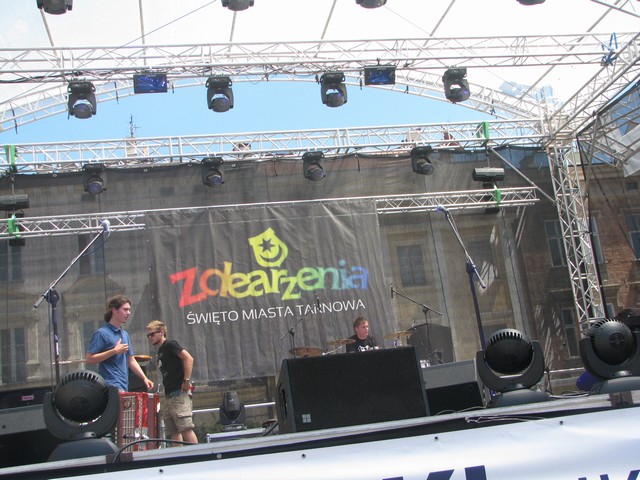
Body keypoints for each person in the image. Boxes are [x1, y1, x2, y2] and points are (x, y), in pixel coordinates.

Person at [86, 295, 154, 392]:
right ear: (114, 310)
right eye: (125, 309)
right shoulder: (101, 333)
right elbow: (89, 359)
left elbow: (131, 360)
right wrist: (114, 351)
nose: (129, 313)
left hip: (124, 385)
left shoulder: (124, 334)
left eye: (129, 310)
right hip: (110, 385)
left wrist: (144, 378)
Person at [147, 320, 198, 444]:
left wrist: (186, 380)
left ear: (161, 332)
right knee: (173, 430)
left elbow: (189, 358)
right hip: (169, 394)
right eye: (148, 335)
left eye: (152, 334)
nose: (150, 337)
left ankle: (200, 453)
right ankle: (178, 454)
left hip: (178, 393)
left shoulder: (170, 344)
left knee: (185, 427)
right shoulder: (160, 351)